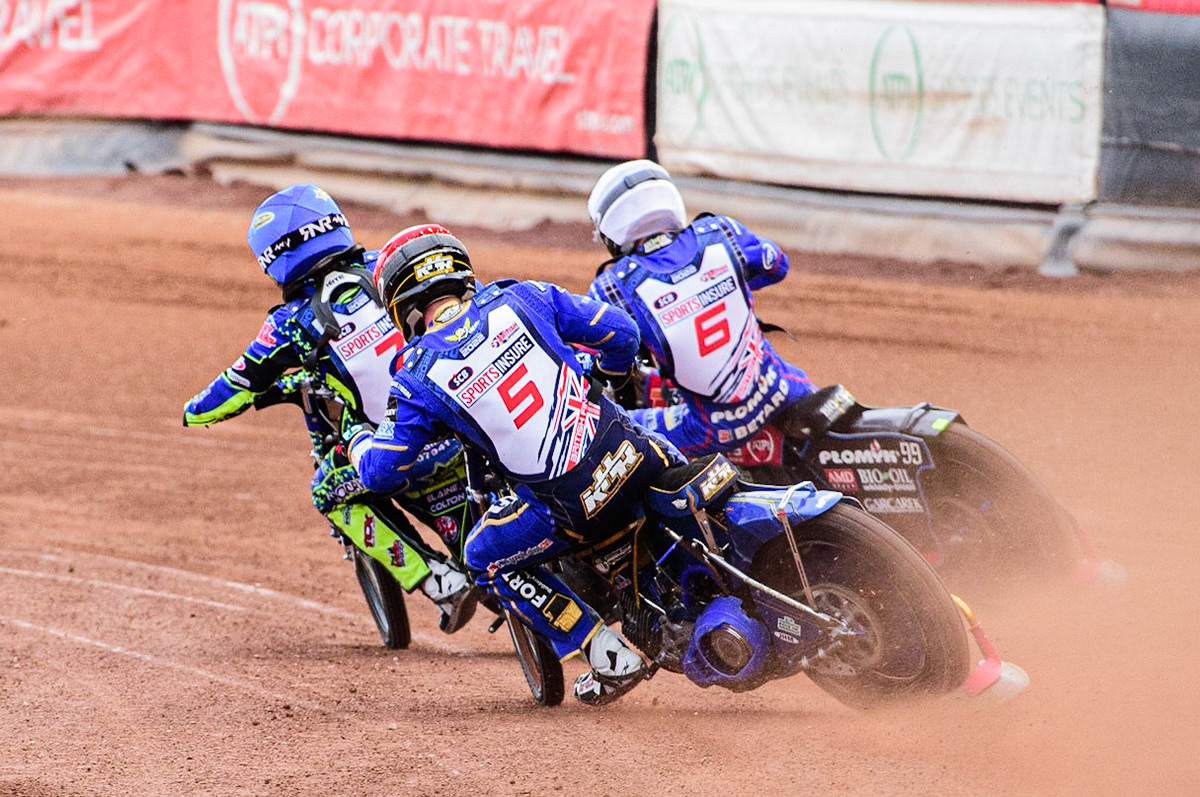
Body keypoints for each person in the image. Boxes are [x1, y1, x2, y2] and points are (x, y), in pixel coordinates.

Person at [341, 223, 683, 705]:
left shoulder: (416, 374)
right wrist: (606, 376)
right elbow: (623, 334)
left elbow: (380, 471)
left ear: (402, 304)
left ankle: (606, 654)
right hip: (639, 457)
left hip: (572, 508)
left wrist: (356, 441)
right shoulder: (524, 296)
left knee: (483, 558)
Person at [182, 183, 475, 633]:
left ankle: (440, 581)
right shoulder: (391, 265)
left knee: (328, 489)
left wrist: (193, 411)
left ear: (273, 259)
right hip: (473, 424)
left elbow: (236, 385)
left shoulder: (289, 323)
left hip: (403, 450)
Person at [586, 159, 816, 457]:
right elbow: (777, 267)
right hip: (783, 388)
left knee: (613, 432)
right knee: (655, 383)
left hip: (715, 426)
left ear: (612, 230)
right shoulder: (720, 231)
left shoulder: (612, 287)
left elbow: (592, 361)